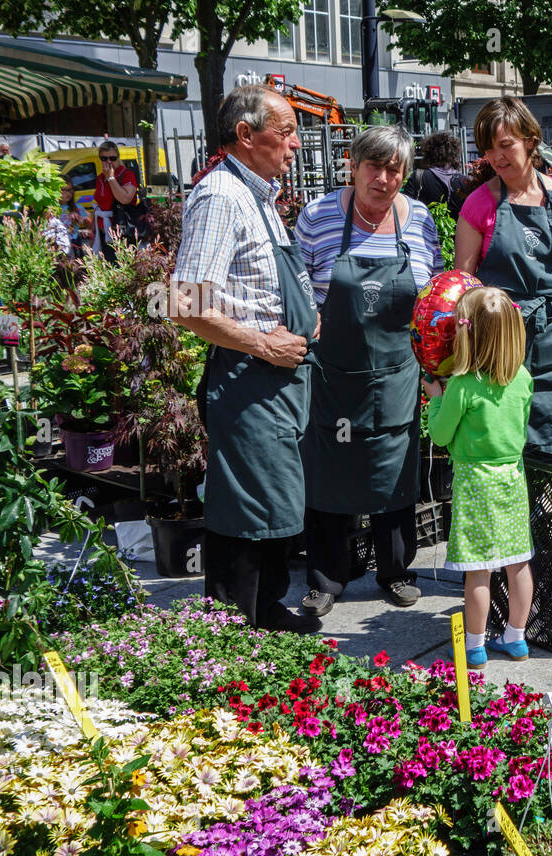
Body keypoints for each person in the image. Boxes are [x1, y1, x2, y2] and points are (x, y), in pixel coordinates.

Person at [169, 85, 321, 634]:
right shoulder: (220, 197)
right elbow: (183, 304)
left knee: (277, 497)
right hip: (247, 377)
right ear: (246, 135)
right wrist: (263, 342)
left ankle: (268, 608)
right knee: (246, 503)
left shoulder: (259, 195)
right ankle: (234, 627)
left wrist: (304, 317)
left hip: (279, 377)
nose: (296, 144)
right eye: (286, 132)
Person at [293, 125, 444, 618]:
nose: (383, 178)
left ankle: (396, 571)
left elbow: (434, 300)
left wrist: (436, 365)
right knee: (330, 470)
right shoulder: (317, 218)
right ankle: (325, 580)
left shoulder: (418, 220)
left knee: (394, 471)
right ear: (352, 166)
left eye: (394, 169)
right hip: (334, 373)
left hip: (398, 372)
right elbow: (297, 292)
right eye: (373, 167)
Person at [454, 96, 552, 455]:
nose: (497, 157)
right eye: (488, 149)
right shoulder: (478, 205)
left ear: (531, 140)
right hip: (498, 345)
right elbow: (463, 290)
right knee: (501, 449)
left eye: (505, 145)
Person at [425, 286, 534, 669]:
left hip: (475, 483)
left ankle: (474, 646)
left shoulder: (461, 385)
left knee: (478, 569)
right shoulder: (522, 377)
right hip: (512, 478)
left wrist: (435, 398)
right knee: (518, 563)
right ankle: (516, 638)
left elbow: (440, 434)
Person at [93, 140, 140, 263]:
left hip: (122, 231)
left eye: (112, 158)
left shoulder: (126, 175)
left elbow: (125, 198)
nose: (108, 162)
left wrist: (111, 178)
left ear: (118, 158)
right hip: (104, 233)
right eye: (104, 158)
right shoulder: (100, 178)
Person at [405, 131, 461, 207]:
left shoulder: (418, 177)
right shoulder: (464, 181)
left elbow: (406, 207)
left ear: (428, 152)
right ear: (455, 154)